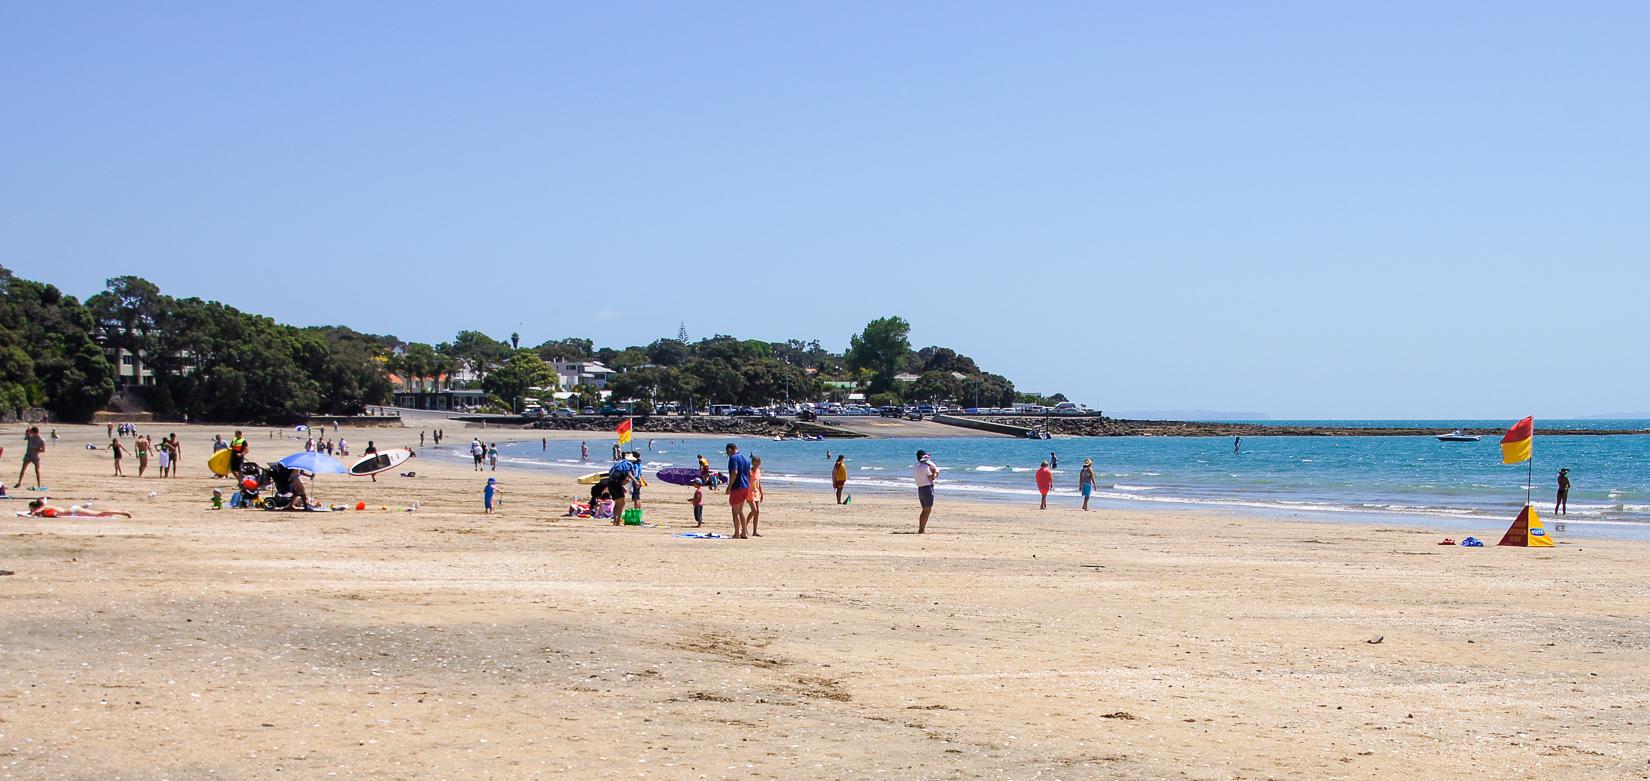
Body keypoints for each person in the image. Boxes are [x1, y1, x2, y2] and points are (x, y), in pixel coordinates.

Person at [725, 443, 753, 539]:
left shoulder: (733, 458)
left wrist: (729, 486)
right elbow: (749, 474)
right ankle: (744, 532)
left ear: (730, 450)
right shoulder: (746, 458)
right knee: (740, 511)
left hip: (737, 487)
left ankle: (737, 533)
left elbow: (734, 472)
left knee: (735, 512)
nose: (727, 455)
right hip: (745, 486)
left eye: (727, 452)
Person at [913, 449, 939, 534]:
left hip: (920, 489)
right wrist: (935, 473)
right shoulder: (925, 467)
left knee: (925, 509)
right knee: (926, 510)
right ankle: (921, 529)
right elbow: (931, 477)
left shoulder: (916, 466)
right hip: (927, 488)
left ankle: (922, 529)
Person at [27, 499, 132, 519]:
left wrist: (30, 513)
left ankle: (122, 512)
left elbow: (34, 513)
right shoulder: (44, 507)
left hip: (74, 511)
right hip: (73, 510)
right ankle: (120, 512)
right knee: (98, 514)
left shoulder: (42, 507)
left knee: (99, 514)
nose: (32, 511)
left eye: (32, 509)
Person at [747, 455, 765, 537]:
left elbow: (759, 483)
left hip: (756, 492)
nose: (756, 464)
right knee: (754, 510)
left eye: (758, 463)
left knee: (757, 512)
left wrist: (761, 493)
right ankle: (744, 526)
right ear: (752, 463)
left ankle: (754, 531)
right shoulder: (749, 471)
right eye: (754, 463)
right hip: (749, 492)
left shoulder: (758, 471)